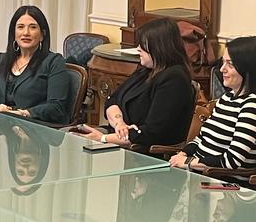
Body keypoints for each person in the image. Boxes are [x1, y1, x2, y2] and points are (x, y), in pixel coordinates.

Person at [72, 17, 194, 154]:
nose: (138, 49)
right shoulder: (145, 70)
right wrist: (119, 123)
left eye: (143, 45)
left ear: (159, 48)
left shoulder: (174, 79)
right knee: (70, 134)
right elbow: (112, 100)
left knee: (77, 145)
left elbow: (150, 133)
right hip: (121, 138)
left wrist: (102, 138)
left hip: (143, 151)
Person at [168, 35, 256, 172]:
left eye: (230, 64)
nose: (222, 69)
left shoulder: (253, 106)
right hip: (196, 172)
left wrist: (188, 162)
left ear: (249, 68)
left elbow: (232, 161)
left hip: (220, 181)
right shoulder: (227, 98)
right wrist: (183, 154)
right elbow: (202, 138)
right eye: (223, 62)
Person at [0, 5, 72, 123]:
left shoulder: (54, 62)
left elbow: (56, 107)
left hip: (35, 127)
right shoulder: (2, 59)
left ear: (42, 34)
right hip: (0, 125)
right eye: (20, 27)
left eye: (32, 27)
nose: (26, 33)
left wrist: (21, 114)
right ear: (14, 33)